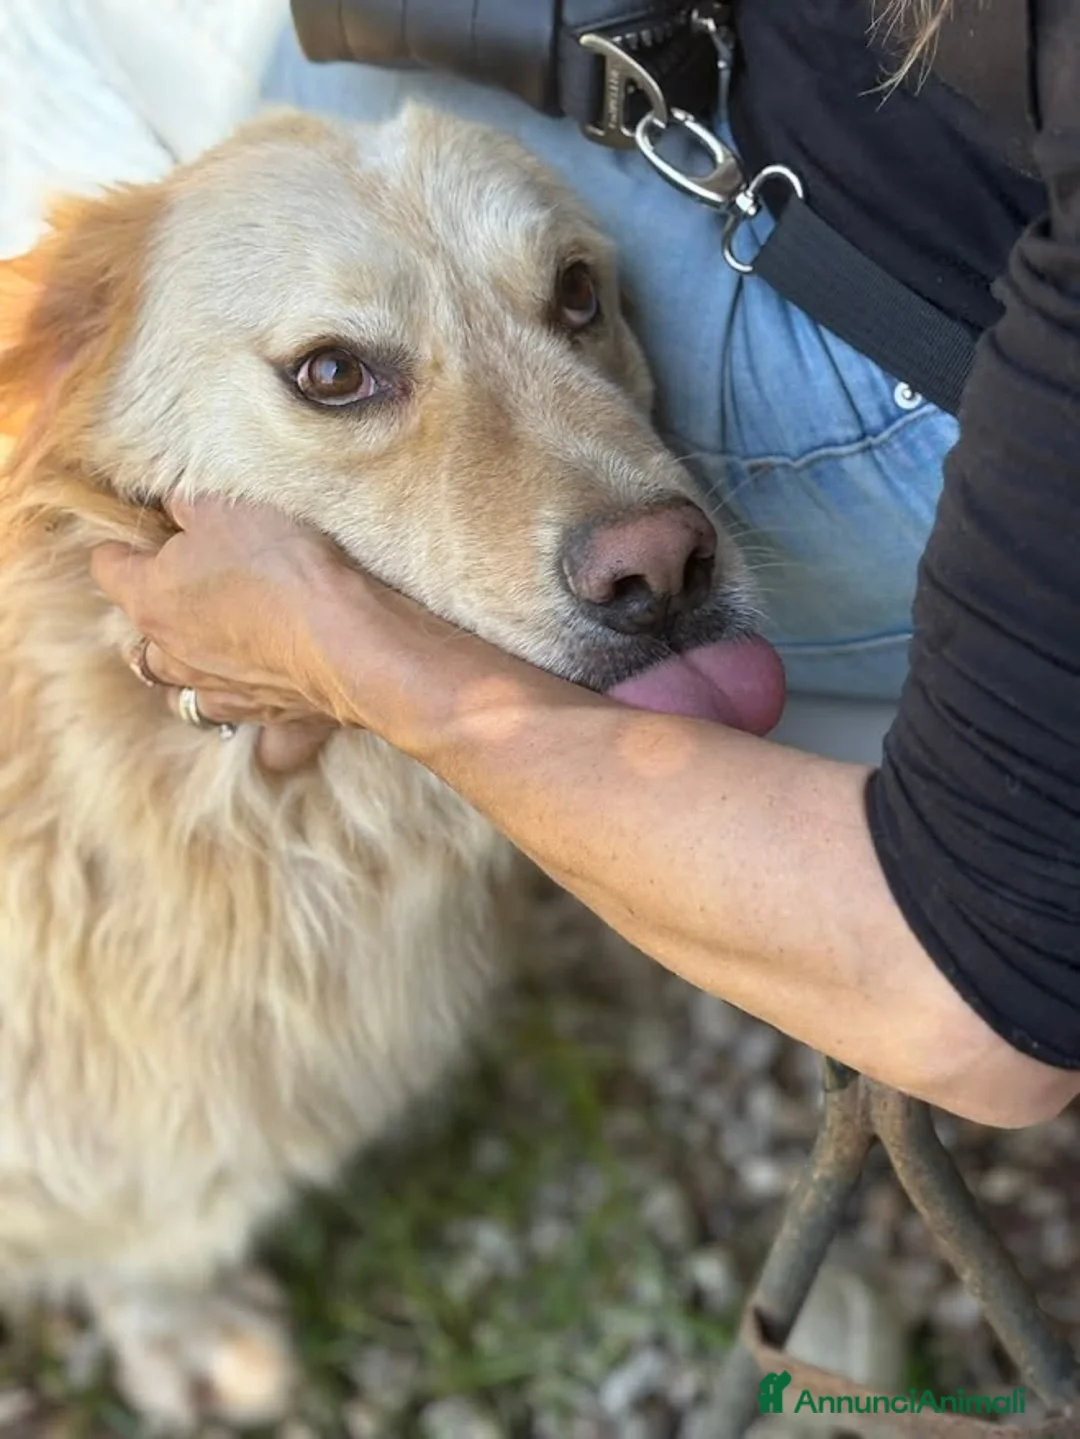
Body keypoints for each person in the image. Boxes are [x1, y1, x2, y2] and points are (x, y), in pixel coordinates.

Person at [46, 0, 1080, 1127]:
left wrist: (348, 653)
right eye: (338, 374)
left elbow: (983, 991)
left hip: (940, 336)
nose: (627, 514)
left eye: (574, 296)